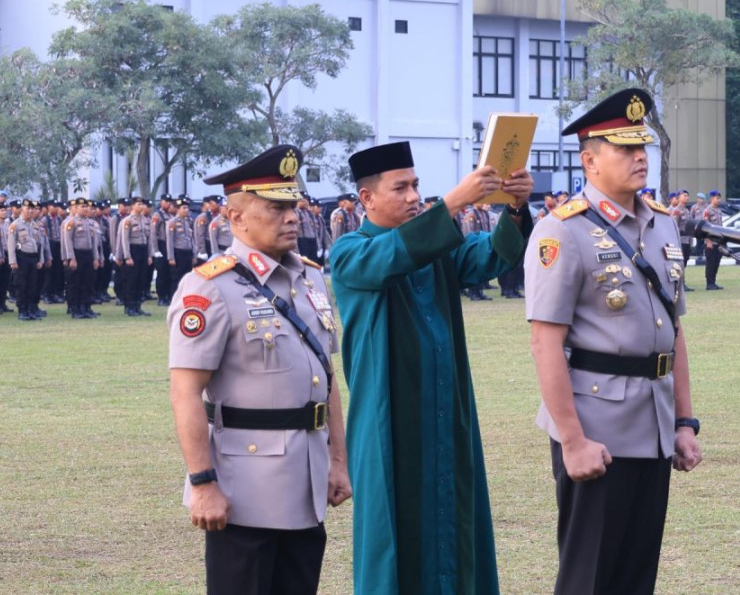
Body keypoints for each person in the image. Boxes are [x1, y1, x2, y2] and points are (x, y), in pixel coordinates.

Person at [330, 140, 533, 595]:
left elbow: (492, 255)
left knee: (453, 524)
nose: (413, 196)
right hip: (388, 425)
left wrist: (516, 209)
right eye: (400, 188)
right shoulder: (349, 252)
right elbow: (391, 258)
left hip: (444, 411)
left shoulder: (436, 248)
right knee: (393, 539)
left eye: (416, 186)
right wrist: (454, 202)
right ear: (366, 198)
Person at [524, 88, 702, 595]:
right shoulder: (562, 231)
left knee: (635, 579)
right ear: (590, 160)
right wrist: (573, 441)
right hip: (596, 427)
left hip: (654, 424)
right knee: (590, 579)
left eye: (641, 146)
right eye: (624, 148)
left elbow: (673, 332)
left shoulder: (662, 224)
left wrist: (684, 422)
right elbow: (545, 344)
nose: (639, 156)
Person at [167, 144, 351, 595]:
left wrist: (338, 461)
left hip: (306, 481)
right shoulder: (209, 288)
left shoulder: (310, 278)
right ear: (236, 217)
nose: (291, 218)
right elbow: (185, 391)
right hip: (244, 490)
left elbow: (325, 376)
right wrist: (203, 483)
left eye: (293, 207)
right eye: (276, 208)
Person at [61, 197, 101, 319]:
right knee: (75, 283)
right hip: (77, 254)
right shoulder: (71, 222)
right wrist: (71, 258)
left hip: (88, 254)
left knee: (87, 283)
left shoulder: (90, 223)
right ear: (76, 208)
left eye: (86, 206)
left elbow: (94, 242)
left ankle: (85, 307)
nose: (85, 209)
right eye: (82, 206)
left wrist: (95, 258)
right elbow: (68, 241)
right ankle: (75, 309)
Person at [7, 199, 46, 321]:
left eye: (32, 209)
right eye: (27, 209)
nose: (30, 211)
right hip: (21, 257)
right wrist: (12, 261)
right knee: (21, 285)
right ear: (21, 210)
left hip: (33, 257)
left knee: (32, 285)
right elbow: (11, 244)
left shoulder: (35, 225)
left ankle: (30, 309)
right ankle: (22, 311)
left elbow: (40, 244)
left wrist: (40, 259)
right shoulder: (15, 225)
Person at [119, 197, 153, 317]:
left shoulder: (146, 220)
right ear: (132, 206)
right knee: (131, 280)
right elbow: (125, 239)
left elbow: (149, 239)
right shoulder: (128, 220)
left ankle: (138, 306)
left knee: (141, 280)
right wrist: (127, 256)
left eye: (142, 204)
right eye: (138, 204)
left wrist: (150, 255)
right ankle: (130, 307)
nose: (141, 206)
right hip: (133, 250)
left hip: (143, 250)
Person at [165, 197, 196, 299]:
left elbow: (192, 239)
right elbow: (170, 241)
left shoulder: (188, 221)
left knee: (187, 277)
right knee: (177, 278)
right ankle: (174, 298)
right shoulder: (172, 222)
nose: (187, 210)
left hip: (188, 252)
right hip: (178, 252)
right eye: (184, 208)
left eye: (187, 208)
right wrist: (171, 257)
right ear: (178, 209)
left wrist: (194, 254)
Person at [672, 190, 695, 291]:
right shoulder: (677, 210)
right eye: (684, 196)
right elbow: (674, 226)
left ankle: (682, 283)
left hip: (687, 240)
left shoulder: (687, 210)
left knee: (685, 262)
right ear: (679, 197)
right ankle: (680, 284)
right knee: (680, 263)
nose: (687, 197)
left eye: (687, 196)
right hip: (680, 240)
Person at [703, 190, 724, 290]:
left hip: (718, 242)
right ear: (711, 198)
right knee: (710, 263)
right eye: (717, 198)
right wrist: (708, 241)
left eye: (719, 198)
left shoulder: (719, 211)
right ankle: (709, 283)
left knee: (716, 262)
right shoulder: (707, 211)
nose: (719, 200)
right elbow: (705, 227)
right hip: (711, 241)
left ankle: (713, 282)